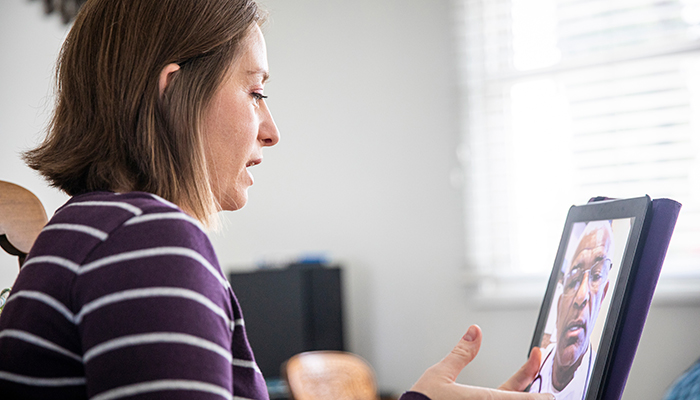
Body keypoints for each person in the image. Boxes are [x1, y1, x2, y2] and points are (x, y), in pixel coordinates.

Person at [0, 1, 554, 399]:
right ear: (174, 92)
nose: (271, 131)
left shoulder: (88, 229)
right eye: (256, 90)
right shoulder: (148, 238)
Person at [529, 221, 614, 400]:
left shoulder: (601, 381)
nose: (581, 296)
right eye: (574, 280)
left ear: (603, 296)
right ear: (559, 303)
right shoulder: (536, 365)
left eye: (596, 276)